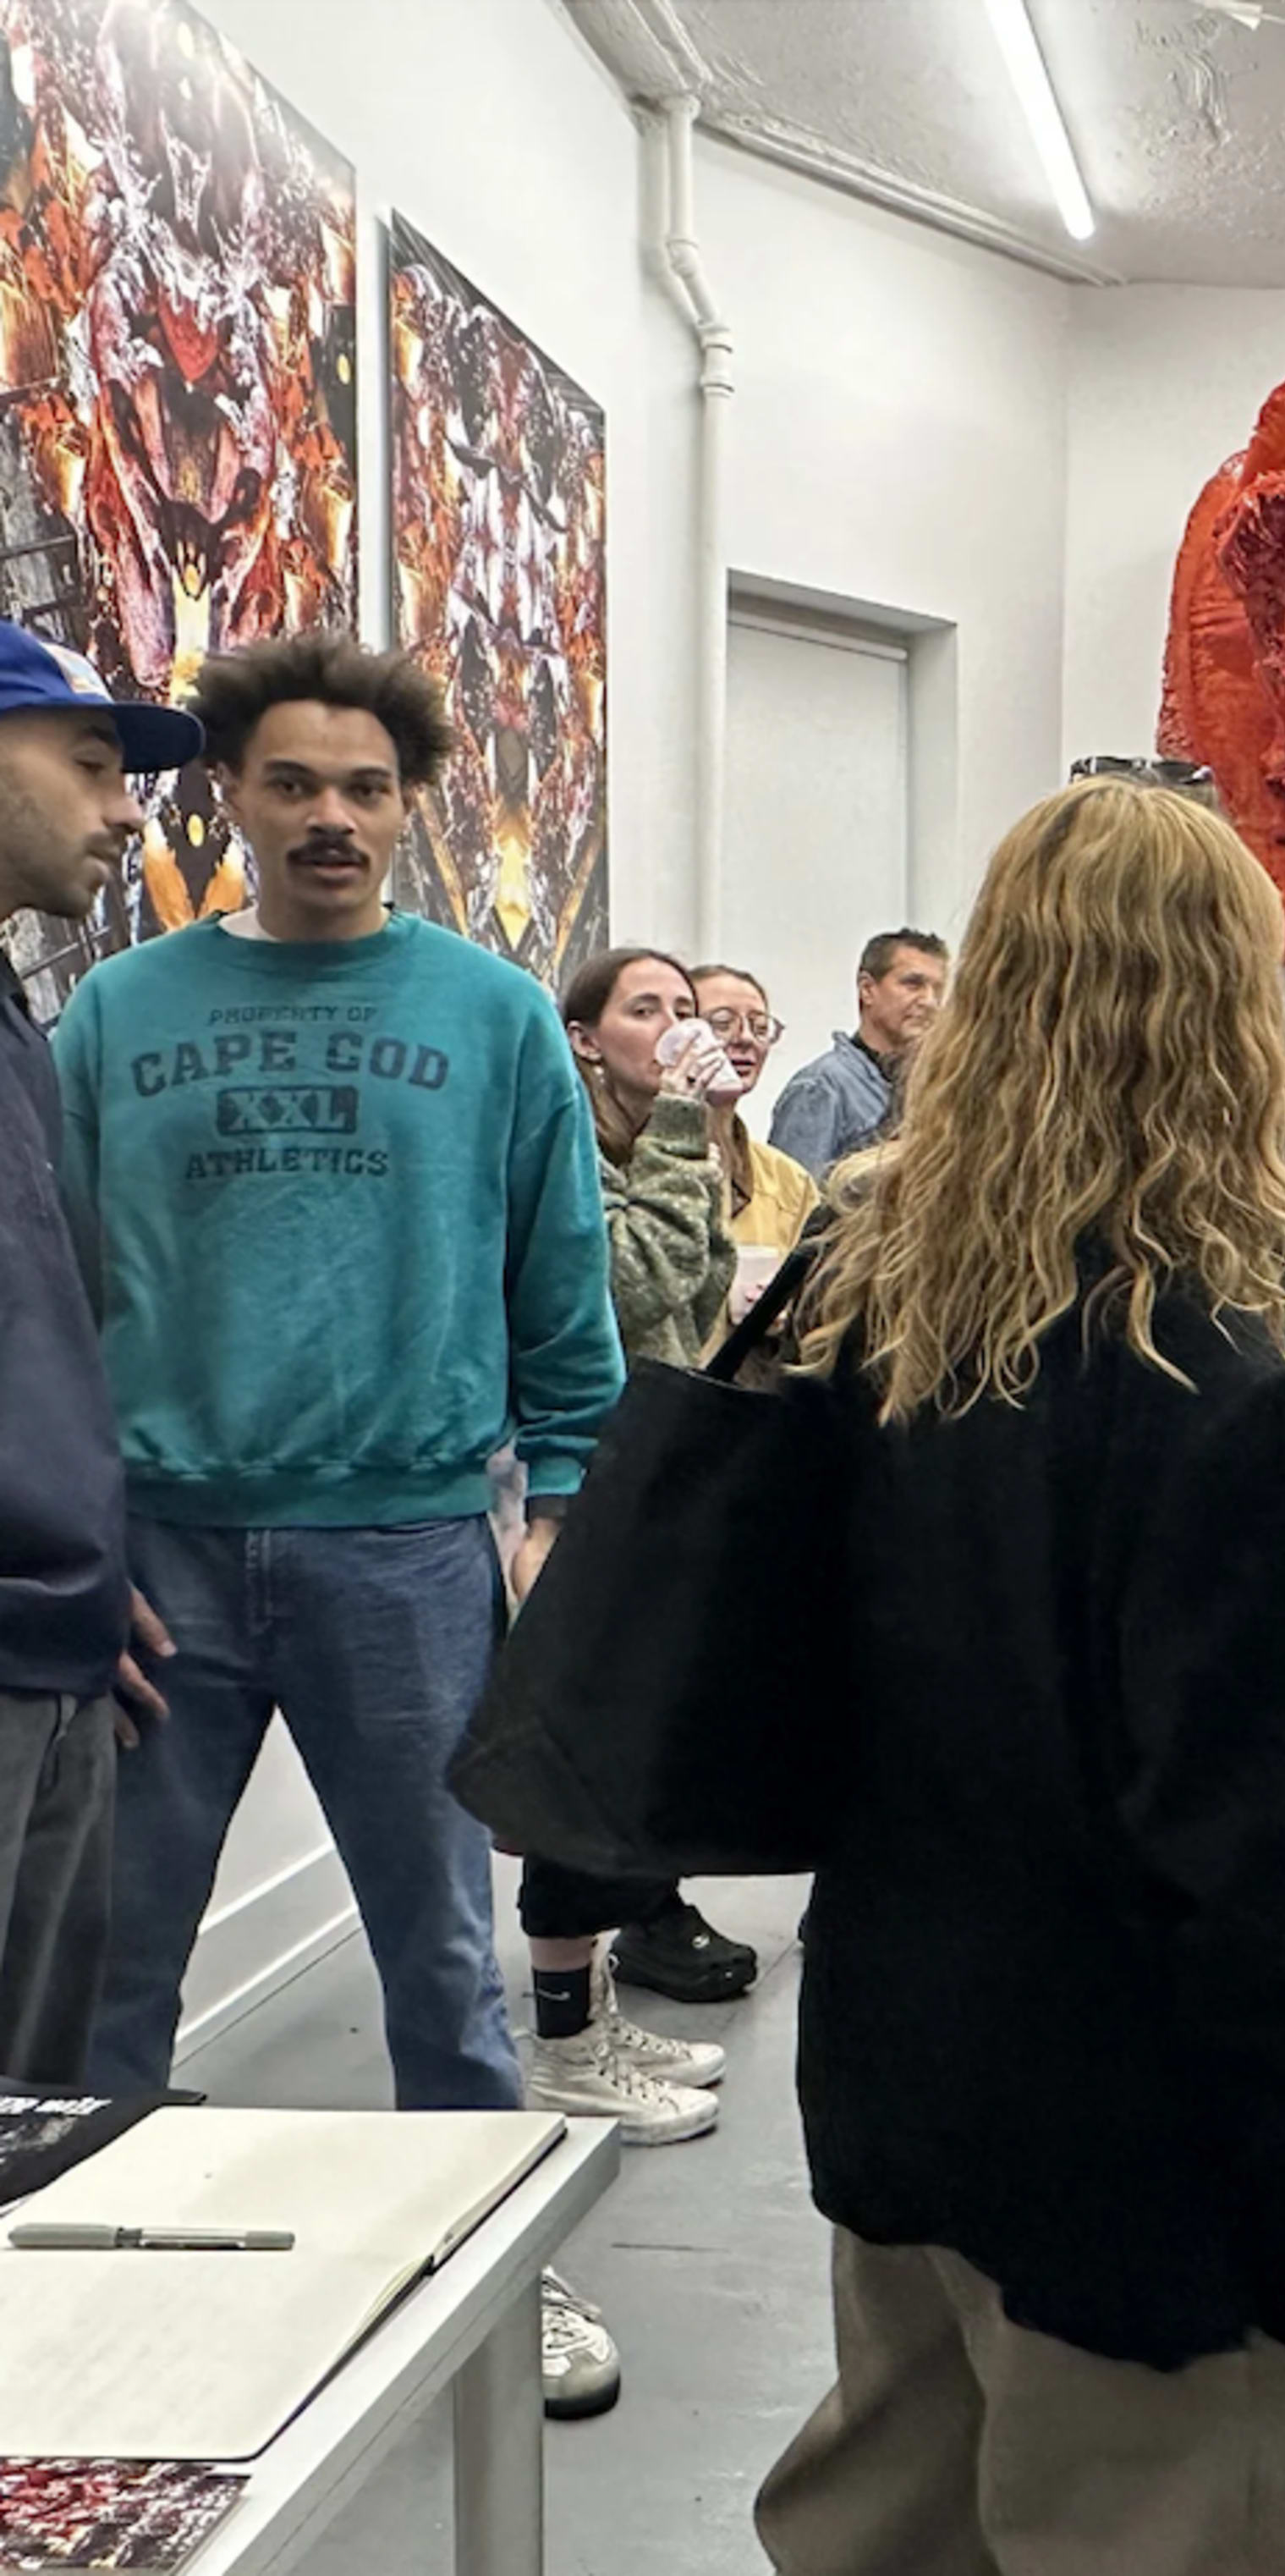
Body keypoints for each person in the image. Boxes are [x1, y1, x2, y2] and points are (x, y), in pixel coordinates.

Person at [759, 778, 1285, 2576]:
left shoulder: (860, 1277)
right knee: (1149, 2521)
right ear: (1218, 1011)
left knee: (896, 2508)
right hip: (1128, 2104)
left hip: (899, 2018)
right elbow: (1221, 1833)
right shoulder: (1197, 1358)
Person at [55, 631, 628, 2414]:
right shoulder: (115, 1013)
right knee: (109, 1966)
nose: (329, 818)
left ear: (408, 808)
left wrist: (568, 1499)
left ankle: (494, 2274)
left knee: (444, 1958)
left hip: (404, 1550)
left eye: (366, 789)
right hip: (160, 1559)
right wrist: (80, 1538)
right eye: (293, 782)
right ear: (226, 790)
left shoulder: (493, 1013)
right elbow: (50, 1295)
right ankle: (73, 2283)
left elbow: (562, 1279)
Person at [506, 946, 746, 2147]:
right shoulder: (566, 1147)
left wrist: (692, 1141)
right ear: (587, 1037)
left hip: (642, 1481)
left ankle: (587, 2012)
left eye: (687, 1009)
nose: (679, 1028)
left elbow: (694, 1293)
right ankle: (562, 2046)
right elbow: (626, 1277)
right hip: (572, 1493)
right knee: (573, 1777)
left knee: (619, 1766)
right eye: (647, 1009)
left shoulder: (650, 1142)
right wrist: (682, 1137)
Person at [0, 625, 191, 2082]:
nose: (127, 809)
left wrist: (87, 1552)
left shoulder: (17, 1014)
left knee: (37, 2117)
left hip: (59, 1637)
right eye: (89, 764)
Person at [767, 927, 947, 1181]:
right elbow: (793, 1203)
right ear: (867, 989)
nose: (929, 1001)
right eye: (912, 984)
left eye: (938, 989)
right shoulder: (822, 1087)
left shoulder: (937, 1088)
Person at [689, 962, 818, 1259]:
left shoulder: (789, 1182)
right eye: (721, 1023)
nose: (745, 1038)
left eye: (761, 1028)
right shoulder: (636, 1159)